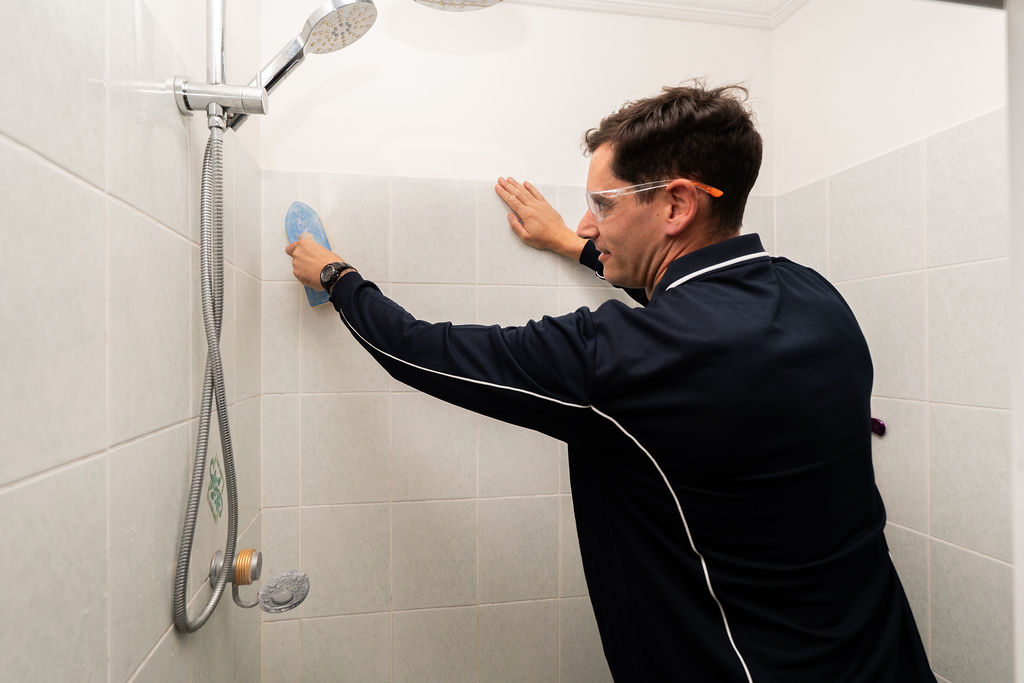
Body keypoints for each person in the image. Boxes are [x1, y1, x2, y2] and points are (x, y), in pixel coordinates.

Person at [286, 83, 935, 682]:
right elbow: (688, 299)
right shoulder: (816, 297)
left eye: (602, 203)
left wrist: (338, 276)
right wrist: (573, 246)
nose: (589, 221)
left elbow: (419, 351)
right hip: (887, 656)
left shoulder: (616, 358)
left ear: (677, 203)